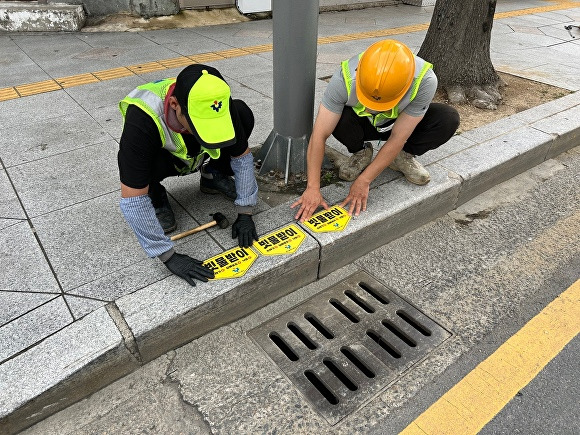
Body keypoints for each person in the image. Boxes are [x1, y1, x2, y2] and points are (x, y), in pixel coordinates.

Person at [118, 64, 259, 286]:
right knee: (140, 167)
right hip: (164, 161)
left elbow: (242, 159)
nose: (206, 133)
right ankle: (157, 197)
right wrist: (167, 256)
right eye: (199, 125)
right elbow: (132, 197)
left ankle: (212, 175)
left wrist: (245, 211)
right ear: (175, 105)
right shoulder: (142, 118)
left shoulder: (218, 102)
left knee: (243, 114)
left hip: (195, 155)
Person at [292, 39, 460, 221]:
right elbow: (319, 135)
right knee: (339, 118)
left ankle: (401, 157)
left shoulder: (425, 80)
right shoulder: (345, 77)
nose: (377, 107)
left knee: (447, 118)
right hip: (362, 125)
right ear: (359, 72)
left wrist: (365, 180)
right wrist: (313, 188)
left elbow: (398, 137)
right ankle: (361, 153)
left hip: (397, 124)